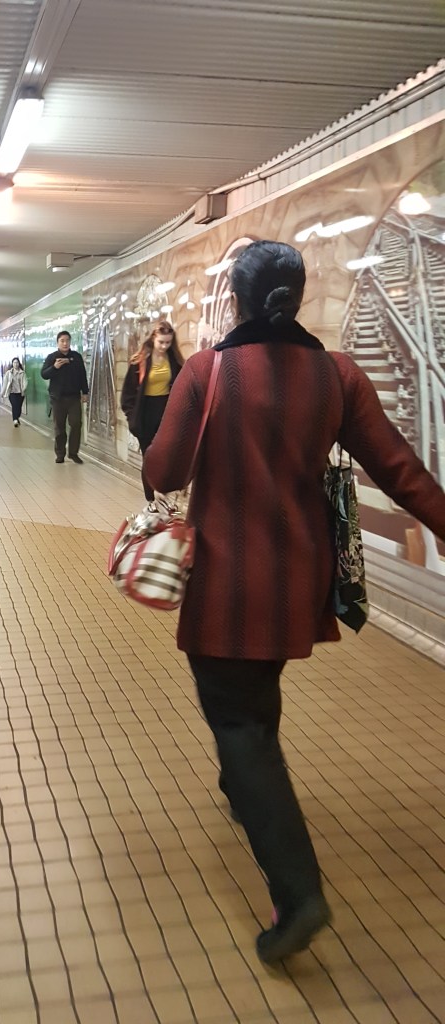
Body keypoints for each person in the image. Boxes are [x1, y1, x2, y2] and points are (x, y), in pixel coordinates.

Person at [144, 240, 445, 966]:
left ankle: (298, 892)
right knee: (255, 692)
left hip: (224, 582)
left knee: (240, 721)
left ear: (236, 302)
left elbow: (164, 470)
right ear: (298, 297)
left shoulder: (207, 371)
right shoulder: (336, 375)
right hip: (298, 580)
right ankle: (239, 780)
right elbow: (400, 470)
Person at [121, 320, 184, 505]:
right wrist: (131, 417)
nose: (164, 346)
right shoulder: (139, 361)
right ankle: (151, 499)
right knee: (149, 457)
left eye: (168, 342)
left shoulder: (175, 361)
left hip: (166, 413)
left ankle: (163, 493)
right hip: (144, 414)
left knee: (165, 455)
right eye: (161, 342)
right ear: (153, 339)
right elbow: (127, 395)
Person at [40, 331, 89, 463]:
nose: (65, 343)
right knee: (59, 427)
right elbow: (44, 374)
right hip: (58, 399)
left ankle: (73, 453)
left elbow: (82, 375)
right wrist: (55, 367)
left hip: (73, 398)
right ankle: (60, 453)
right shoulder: (52, 357)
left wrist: (85, 392)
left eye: (67, 340)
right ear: (57, 342)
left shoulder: (76, 357)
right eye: (62, 340)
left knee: (76, 424)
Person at [0, 357, 27, 426]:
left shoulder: (22, 373)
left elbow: (25, 382)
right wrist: (2, 393)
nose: (16, 364)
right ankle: (15, 420)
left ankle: (17, 417)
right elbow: (5, 384)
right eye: (14, 363)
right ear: (12, 364)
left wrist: (23, 388)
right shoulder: (8, 373)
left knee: (19, 407)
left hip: (20, 393)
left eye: (17, 362)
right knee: (14, 406)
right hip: (12, 393)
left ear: (19, 364)